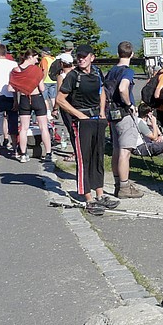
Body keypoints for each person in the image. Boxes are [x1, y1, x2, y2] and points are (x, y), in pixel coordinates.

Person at [56, 44, 120, 213]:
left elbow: (102, 91)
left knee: (98, 156)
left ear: (92, 57)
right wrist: (80, 115)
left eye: (85, 56)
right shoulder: (72, 76)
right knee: (84, 159)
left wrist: (102, 112)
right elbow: (60, 100)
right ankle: (88, 197)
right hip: (81, 122)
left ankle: (99, 194)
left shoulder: (97, 72)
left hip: (97, 120)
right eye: (79, 56)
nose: (81, 59)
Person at [107, 41, 143, 199]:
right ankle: (124, 186)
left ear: (117, 54)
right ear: (132, 55)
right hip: (124, 114)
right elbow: (123, 88)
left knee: (116, 150)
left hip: (112, 113)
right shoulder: (127, 72)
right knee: (125, 151)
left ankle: (117, 183)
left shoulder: (111, 71)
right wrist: (129, 104)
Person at [11, 49, 52, 163]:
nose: (37, 60)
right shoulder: (36, 70)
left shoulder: (16, 70)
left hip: (24, 99)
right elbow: (42, 88)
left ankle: (23, 154)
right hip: (37, 98)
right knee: (43, 127)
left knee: (23, 128)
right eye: (36, 58)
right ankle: (48, 153)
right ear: (30, 57)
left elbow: (11, 87)